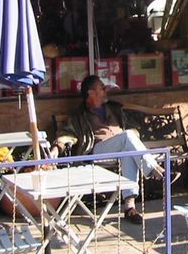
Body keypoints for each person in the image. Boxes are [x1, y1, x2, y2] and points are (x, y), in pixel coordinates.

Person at [50, 75, 164, 225]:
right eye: (102, 88)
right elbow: (67, 133)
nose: (106, 91)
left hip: (121, 149)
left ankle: (130, 208)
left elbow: (131, 129)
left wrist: (132, 135)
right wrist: (56, 148)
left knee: (127, 150)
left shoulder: (113, 108)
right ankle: (156, 171)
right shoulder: (80, 116)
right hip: (97, 152)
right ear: (91, 93)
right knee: (127, 139)